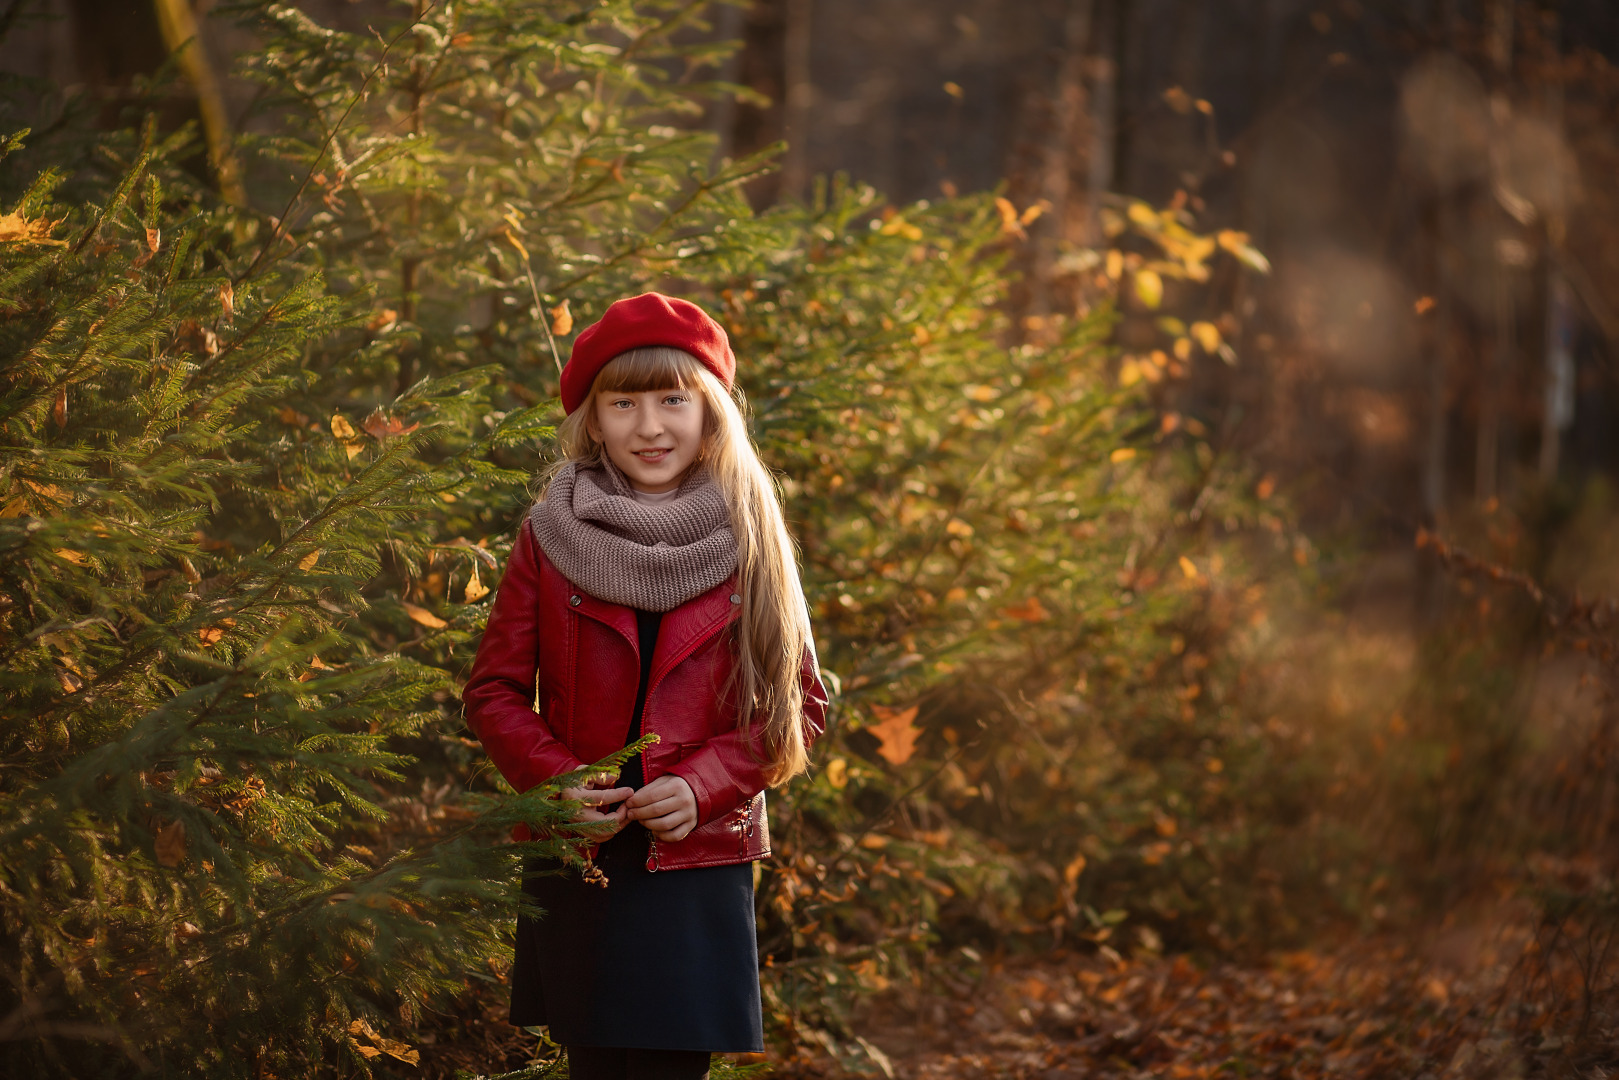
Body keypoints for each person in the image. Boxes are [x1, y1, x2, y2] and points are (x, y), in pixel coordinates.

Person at [462, 292, 829, 1080]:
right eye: (622, 403)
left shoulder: (752, 532)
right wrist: (555, 781)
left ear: (710, 412)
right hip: (582, 852)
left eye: (673, 399)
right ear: (592, 421)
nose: (650, 426)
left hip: (693, 852)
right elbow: (492, 691)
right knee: (593, 1064)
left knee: (668, 1067)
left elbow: (799, 705)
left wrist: (702, 787)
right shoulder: (549, 535)